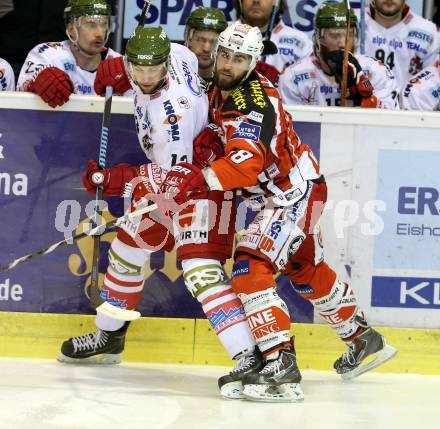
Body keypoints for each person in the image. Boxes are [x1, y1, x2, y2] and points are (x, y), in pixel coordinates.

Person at [162, 21, 397, 402]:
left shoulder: (250, 102)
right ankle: (364, 339)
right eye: (224, 54)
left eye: (239, 59)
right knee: (306, 270)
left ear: (253, 62)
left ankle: (280, 362)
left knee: (250, 266)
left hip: (291, 196)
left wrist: (201, 176)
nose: (227, 64)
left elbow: (246, 164)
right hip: (294, 190)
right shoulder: (223, 89)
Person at [58, 26, 258, 395]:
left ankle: (249, 356)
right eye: (138, 69)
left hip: (200, 184)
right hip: (180, 170)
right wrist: (118, 65)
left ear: (164, 66)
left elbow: (171, 185)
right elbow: (166, 46)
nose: (146, 78)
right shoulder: (176, 56)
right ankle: (110, 335)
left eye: (153, 70)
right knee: (127, 249)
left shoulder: (173, 121)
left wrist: (118, 179)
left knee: (201, 272)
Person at [278, 1, 400, 108]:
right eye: (334, 35)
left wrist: (365, 96)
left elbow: (390, 121)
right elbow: (291, 127)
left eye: (349, 35)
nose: (342, 43)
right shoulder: (293, 78)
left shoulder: (376, 71)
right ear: (318, 39)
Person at [16, 0, 127, 108]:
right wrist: (35, 85)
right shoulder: (46, 54)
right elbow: (20, 100)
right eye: (91, 25)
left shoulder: (121, 64)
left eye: (104, 25)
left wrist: (140, 87)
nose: (100, 34)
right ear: (71, 30)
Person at [365, 0, 440, 92]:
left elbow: (434, 83)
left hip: (408, 105)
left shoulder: (429, 32)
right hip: (357, 105)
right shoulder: (352, 24)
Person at [234, 0, 312, 83]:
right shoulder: (222, 34)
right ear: (240, 2)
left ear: (277, 2)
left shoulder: (301, 42)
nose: (256, 1)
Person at [184, 7, 228, 83]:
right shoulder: (172, 78)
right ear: (189, 40)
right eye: (201, 40)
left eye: (214, 42)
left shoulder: (228, 85)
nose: (206, 49)